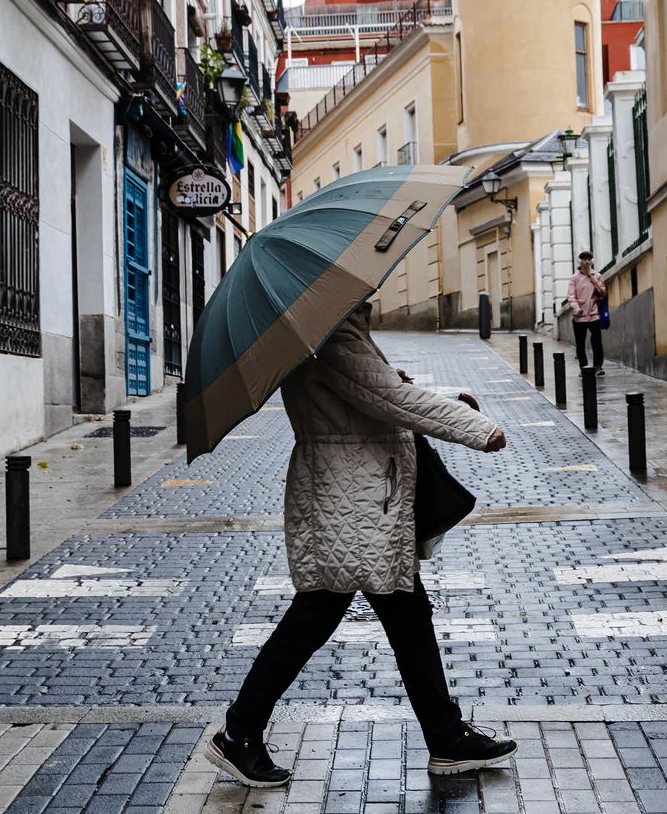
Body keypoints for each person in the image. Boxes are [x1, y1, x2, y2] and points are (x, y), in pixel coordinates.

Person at [205, 306, 517, 787]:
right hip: (353, 496)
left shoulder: (323, 327)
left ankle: (446, 736)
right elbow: (386, 395)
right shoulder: (327, 327)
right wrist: (476, 429)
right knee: (317, 614)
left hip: (361, 494)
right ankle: (240, 732)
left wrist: (448, 397)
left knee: (405, 615)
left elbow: (372, 394)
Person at [567, 251, 608, 374]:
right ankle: (583, 367)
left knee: (597, 342)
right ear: (581, 261)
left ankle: (598, 366)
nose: (587, 261)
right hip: (579, 316)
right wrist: (576, 308)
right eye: (584, 259)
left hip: (594, 314)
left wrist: (595, 281)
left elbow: (603, 293)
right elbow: (571, 296)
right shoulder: (575, 278)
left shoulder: (597, 276)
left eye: (589, 259)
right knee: (580, 344)